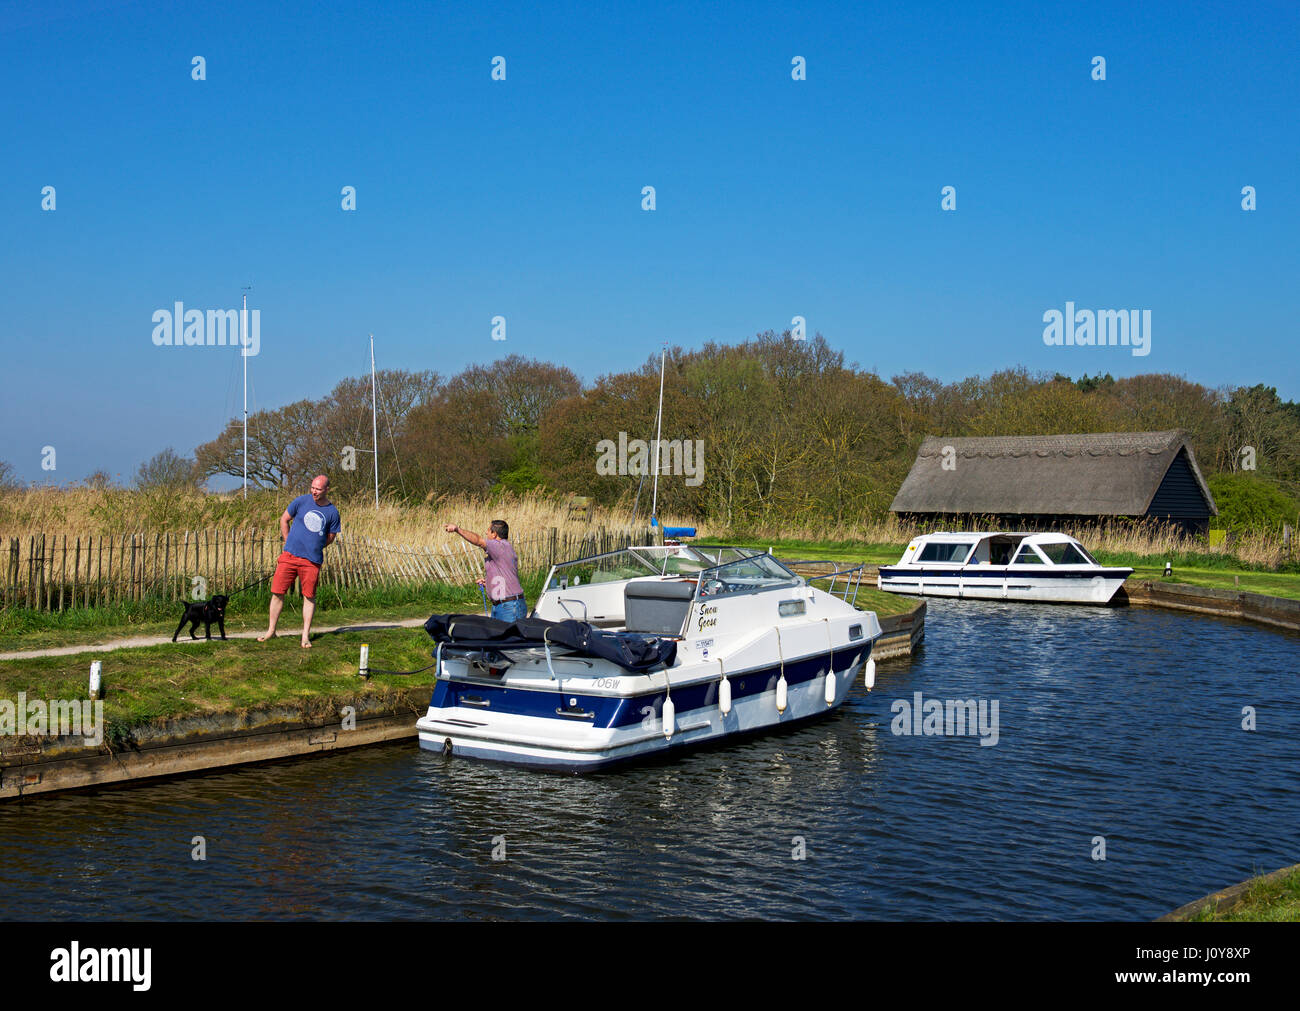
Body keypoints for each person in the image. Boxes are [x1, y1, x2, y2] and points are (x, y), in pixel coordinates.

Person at [259, 475, 342, 647]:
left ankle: (305, 636)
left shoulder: (333, 512)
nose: (314, 491)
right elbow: (284, 519)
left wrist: (314, 547)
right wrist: (287, 540)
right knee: (277, 592)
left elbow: (331, 537)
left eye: (318, 489)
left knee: (309, 596)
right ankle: (271, 631)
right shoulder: (301, 501)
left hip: (311, 561)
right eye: (312, 487)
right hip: (289, 556)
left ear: (327, 490)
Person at [444, 519, 526, 622]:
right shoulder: (504, 548)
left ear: (494, 534)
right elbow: (506, 576)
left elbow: (478, 541)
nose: (486, 533)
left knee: (509, 638)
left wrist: (457, 529)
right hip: (504, 605)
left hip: (509, 607)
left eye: (488, 530)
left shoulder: (498, 546)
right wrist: (489, 583)